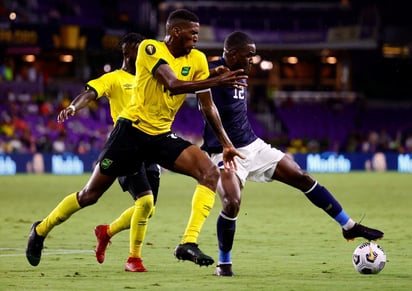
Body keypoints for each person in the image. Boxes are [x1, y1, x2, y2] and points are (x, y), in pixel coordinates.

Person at [26, 9, 247, 272]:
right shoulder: (150, 49)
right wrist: (214, 79)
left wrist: (225, 143)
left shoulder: (198, 60)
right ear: (176, 31)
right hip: (130, 132)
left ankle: (187, 243)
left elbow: (207, 106)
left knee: (209, 173)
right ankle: (40, 230)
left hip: (161, 135)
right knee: (90, 195)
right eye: (193, 32)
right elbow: (173, 85)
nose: (197, 37)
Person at [200, 31, 384, 277]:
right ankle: (224, 264)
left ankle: (348, 226)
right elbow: (196, 89)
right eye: (249, 55)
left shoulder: (241, 74)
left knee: (302, 176)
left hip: (252, 146)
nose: (252, 60)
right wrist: (210, 77)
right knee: (232, 203)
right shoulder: (211, 71)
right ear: (232, 54)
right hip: (224, 152)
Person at [56, 32, 161, 269]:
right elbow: (91, 92)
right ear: (127, 53)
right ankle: (134, 258)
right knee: (144, 202)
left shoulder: (150, 78)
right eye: (139, 52)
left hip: (150, 145)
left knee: (148, 209)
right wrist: (74, 106)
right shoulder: (114, 78)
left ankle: (106, 231)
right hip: (124, 146)